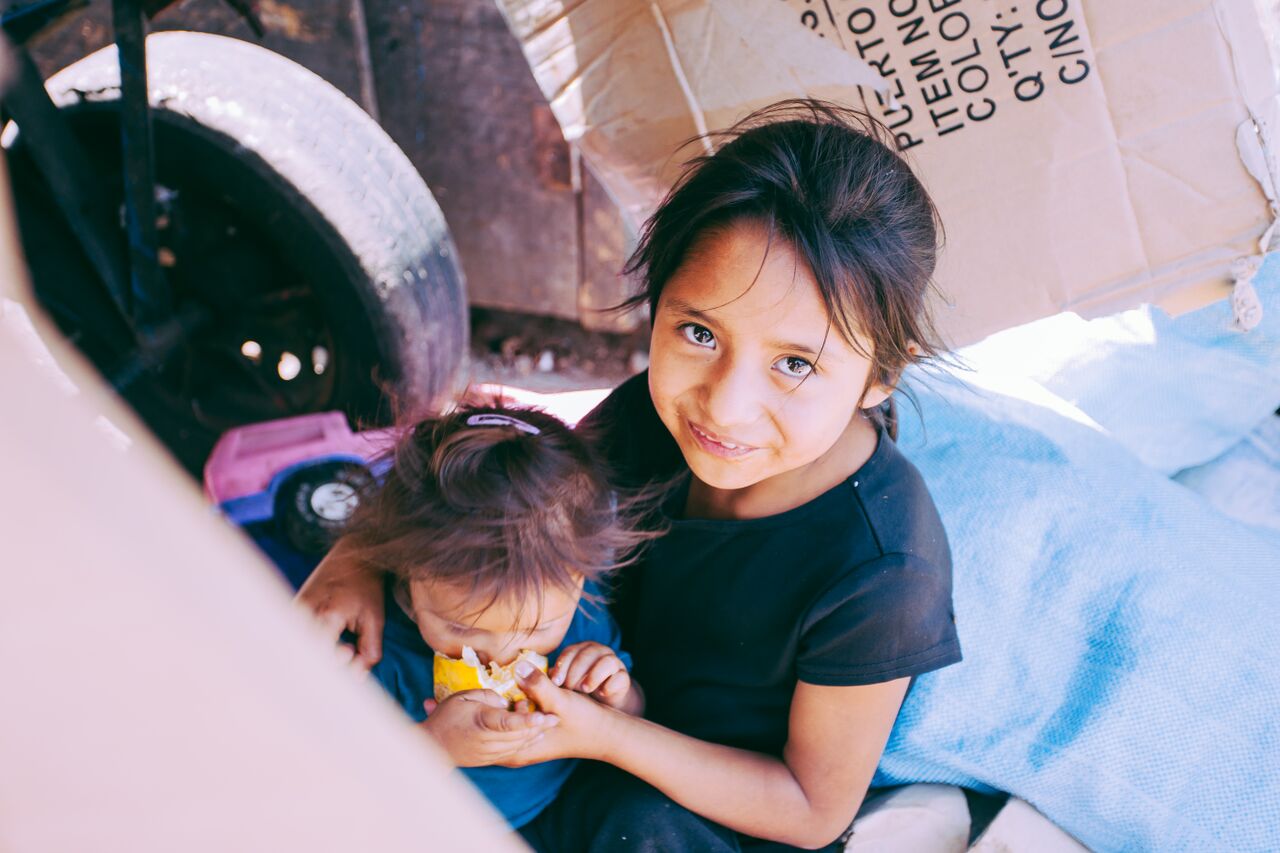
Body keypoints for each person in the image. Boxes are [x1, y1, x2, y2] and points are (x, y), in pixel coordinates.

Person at [301, 99, 963, 851]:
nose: (726, 404)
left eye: (795, 364)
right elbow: (503, 508)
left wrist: (608, 734)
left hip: (692, 808)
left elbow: (811, 808)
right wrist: (354, 559)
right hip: (570, 730)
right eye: (700, 332)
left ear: (880, 376)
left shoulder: (881, 571)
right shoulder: (651, 422)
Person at [332, 405, 651, 830]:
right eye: (462, 628)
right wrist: (434, 744)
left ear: (579, 584)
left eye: (536, 629)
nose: (498, 655)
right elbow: (343, 781)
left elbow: (634, 718)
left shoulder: (580, 623)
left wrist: (618, 695)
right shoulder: (376, 646)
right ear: (406, 576)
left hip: (553, 809)